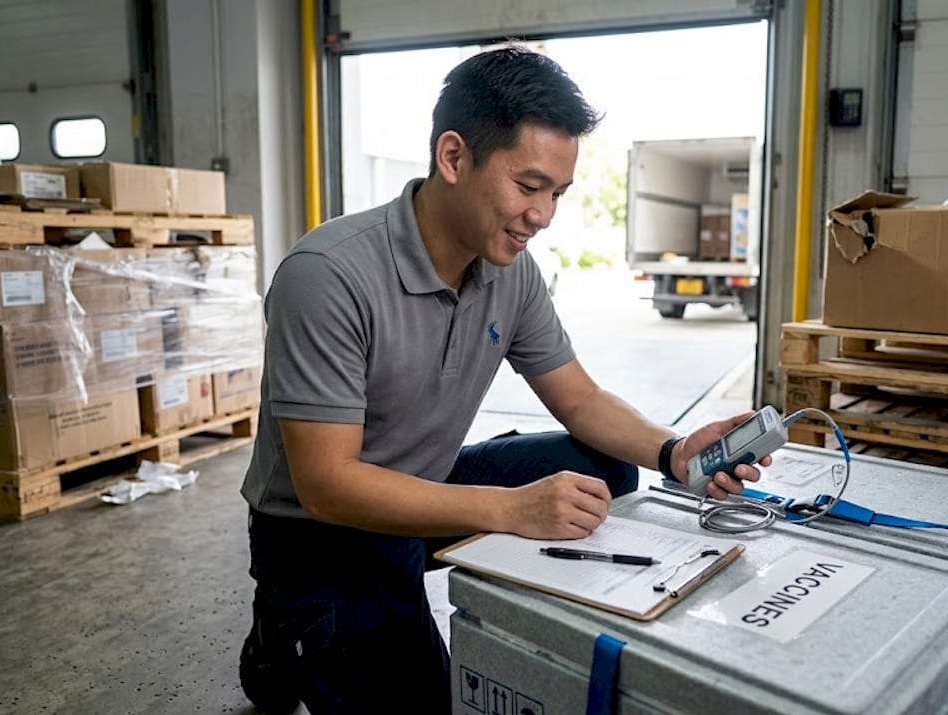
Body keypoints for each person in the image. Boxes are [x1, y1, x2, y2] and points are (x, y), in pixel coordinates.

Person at [238, 45, 766, 714]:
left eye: (557, 193)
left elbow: (579, 396)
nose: (544, 215)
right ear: (453, 158)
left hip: (423, 484)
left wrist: (675, 450)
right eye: (528, 186)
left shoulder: (510, 271)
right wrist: (509, 510)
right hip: (320, 530)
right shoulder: (328, 275)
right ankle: (280, 639)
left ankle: (342, 618)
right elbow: (326, 483)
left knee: (597, 469)